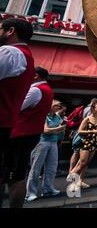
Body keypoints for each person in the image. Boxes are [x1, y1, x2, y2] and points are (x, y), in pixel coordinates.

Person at [3, 67, 53, 207]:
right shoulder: (47, 90)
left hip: (19, 135)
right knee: (18, 174)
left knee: (13, 175)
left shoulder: (36, 90)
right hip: (30, 134)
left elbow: (15, 107)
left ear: (36, 76)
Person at [0, 18, 35, 206]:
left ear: (10, 31)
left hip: (12, 128)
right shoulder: (25, 56)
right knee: (16, 176)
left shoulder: (9, 52)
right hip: (9, 125)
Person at [25, 100, 66, 201]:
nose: (59, 108)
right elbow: (45, 130)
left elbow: (61, 129)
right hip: (42, 143)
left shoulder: (57, 117)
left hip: (53, 143)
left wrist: (61, 131)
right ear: (51, 106)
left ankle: (48, 189)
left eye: (59, 106)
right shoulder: (44, 116)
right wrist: (58, 129)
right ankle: (30, 193)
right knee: (36, 168)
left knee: (52, 168)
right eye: (57, 106)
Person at [69, 102, 97, 187]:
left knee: (86, 163)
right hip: (85, 142)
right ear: (93, 109)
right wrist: (92, 131)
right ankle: (72, 177)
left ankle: (78, 180)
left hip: (94, 141)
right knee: (82, 162)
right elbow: (80, 131)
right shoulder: (87, 119)